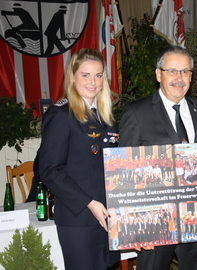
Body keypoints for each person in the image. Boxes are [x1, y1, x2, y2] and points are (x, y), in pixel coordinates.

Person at [119, 45, 197, 270]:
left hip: (193, 217)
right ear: (158, 74)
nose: (179, 78)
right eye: (172, 71)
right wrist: (136, 227)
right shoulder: (136, 112)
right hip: (155, 221)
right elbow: (125, 173)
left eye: (185, 71)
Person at [38, 48, 120, 270]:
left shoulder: (105, 116)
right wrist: (89, 203)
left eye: (98, 75)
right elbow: (49, 170)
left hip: (107, 216)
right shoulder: (60, 115)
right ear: (73, 77)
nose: (93, 81)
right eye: (85, 75)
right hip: (79, 219)